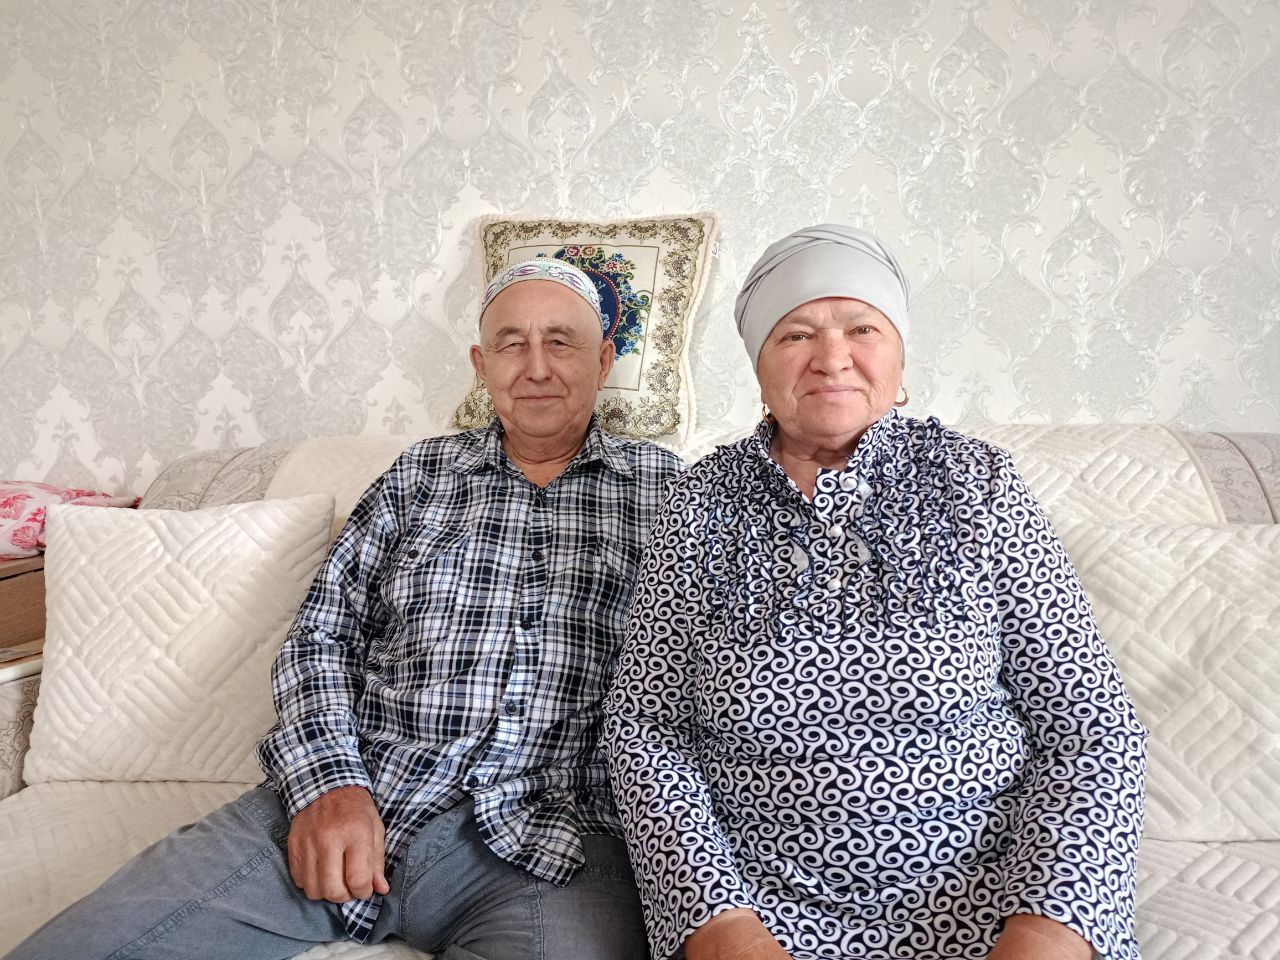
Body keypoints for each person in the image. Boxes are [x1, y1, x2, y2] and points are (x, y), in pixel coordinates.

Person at [9, 258, 683, 960]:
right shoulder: (418, 477)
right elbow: (320, 637)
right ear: (481, 365)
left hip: (554, 845)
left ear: (603, 360)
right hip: (356, 796)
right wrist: (329, 784)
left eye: (562, 342)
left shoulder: (669, 491)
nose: (536, 367)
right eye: (511, 344)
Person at [603, 225, 1148, 960]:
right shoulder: (702, 498)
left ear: (899, 357)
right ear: (760, 366)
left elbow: (1092, 727)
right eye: (796, 334)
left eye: (862, 328)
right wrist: (719, 923)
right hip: (760, 912)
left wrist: (1048, 927)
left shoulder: (978, 482)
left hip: (999, 903)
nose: (832, 358)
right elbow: (645, 726)